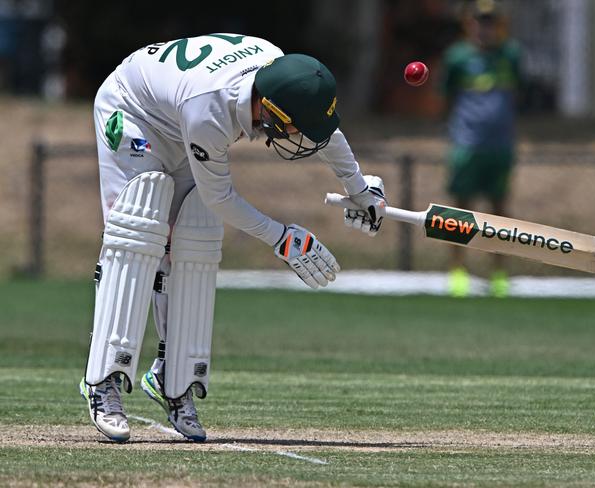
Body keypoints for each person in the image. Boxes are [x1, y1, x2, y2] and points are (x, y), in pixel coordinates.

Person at [79, 33, 387, 443]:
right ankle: (103, 380)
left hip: (177, 113)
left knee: (191, 237)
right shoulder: (211, 112)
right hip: (134, 111)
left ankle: (174, 376)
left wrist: (360, 189)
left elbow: (324, 134)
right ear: (271, 109)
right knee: (138, 232)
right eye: (296, 126)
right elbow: (220, 196)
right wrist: (281, 238)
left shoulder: (281, 73)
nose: (301, 135)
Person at [439, 0, 522, 297]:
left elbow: (516, 93)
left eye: (490, 22)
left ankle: (499, 273)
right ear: (469, 23)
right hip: (467, 144)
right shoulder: (458, 57)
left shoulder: (510, 55)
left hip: (500, 145)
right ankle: (457, 271)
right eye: (479, 21)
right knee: (460, 210)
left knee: (499, 210)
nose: (484, 27)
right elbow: (446, 98)